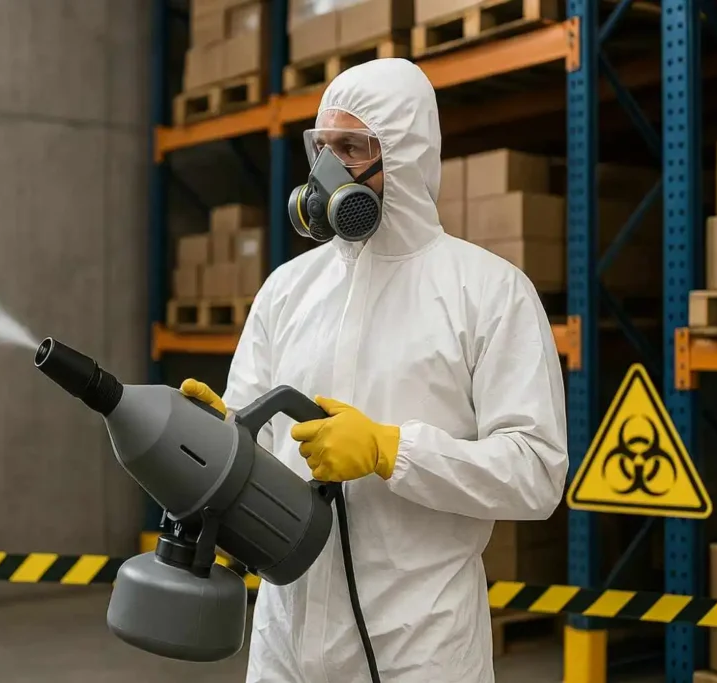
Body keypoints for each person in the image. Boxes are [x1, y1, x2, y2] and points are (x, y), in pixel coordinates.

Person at [179, 58, 569, 683]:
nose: (328, 169)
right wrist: (212, 436)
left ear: (407, 157)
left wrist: (393, 451)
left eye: (353, 147)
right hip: (285, 641)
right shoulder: (287, 290)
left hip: (420, 649)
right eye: (322, 146)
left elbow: (536, 472)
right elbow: (247, 445)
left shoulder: (489, 293)